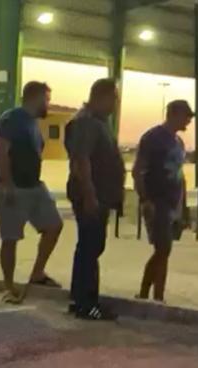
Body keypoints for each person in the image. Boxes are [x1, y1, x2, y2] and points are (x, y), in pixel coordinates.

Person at [0, 81, 64, 304]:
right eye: (47, 99)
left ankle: (37, 274)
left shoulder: (32, 123)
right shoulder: (12, 118)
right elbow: (0, 150)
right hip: (13, 188)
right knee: (10, 238)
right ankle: (9, 286)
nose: (48, 104)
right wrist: (6, 184)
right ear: (35, 97)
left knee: (54, 225)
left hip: (34, 187)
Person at [65, 79, 125, 321]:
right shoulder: (87, 122)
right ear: (102, 97)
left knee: (91, 246)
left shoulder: (98, 122)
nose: (116, 103)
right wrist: (90, 195)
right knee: (90, 247)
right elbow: (81, 160)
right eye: (114, 98)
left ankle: (81, 298)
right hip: (91, 195)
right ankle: (86, 303)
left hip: (99, 195)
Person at [133, 100, 194, 302]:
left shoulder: (179, 142)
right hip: (156, 200)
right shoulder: (152, 138)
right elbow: (138, 170)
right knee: (163, 247)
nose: (189, 120)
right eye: (186, 116)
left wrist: (183, 206)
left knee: (164, 251)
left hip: (173, 202)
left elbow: (180, 175)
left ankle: (153, 294)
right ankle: (150, 293)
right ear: (174, 114)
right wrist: (145, 200)